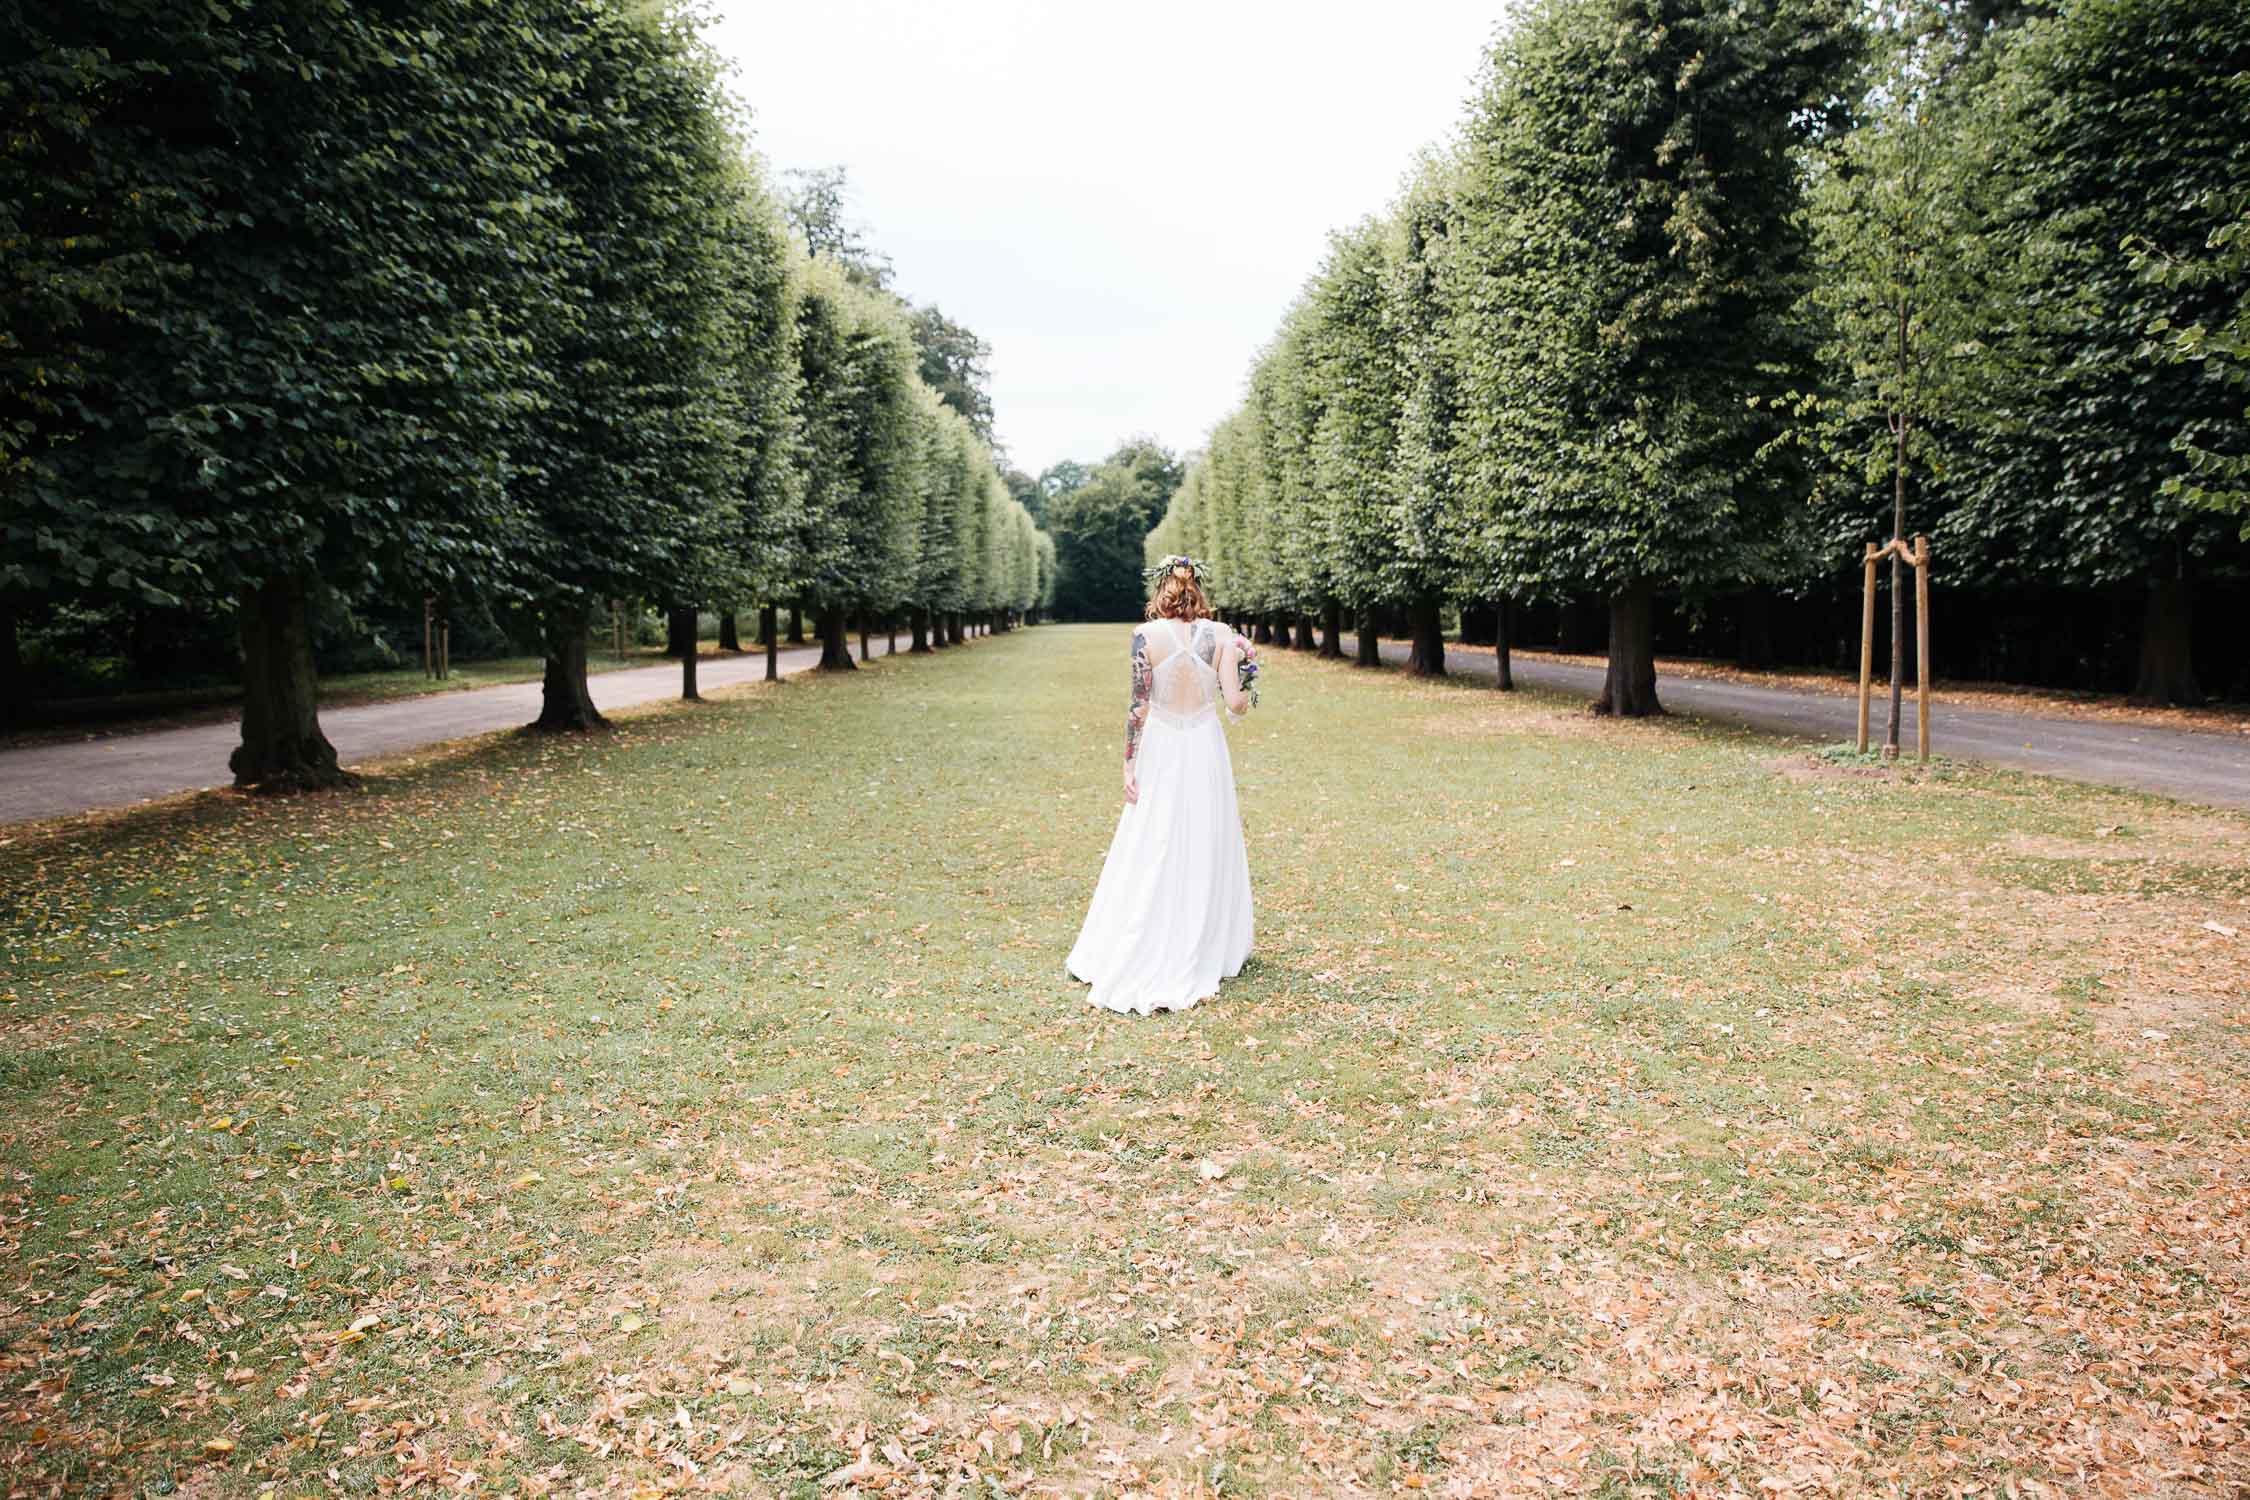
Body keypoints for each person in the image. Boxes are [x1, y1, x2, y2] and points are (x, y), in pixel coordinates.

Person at [1066, 557, 1254, 1015]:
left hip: (1164, 745)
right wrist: (1249, 680)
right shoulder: (1225, 636)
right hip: (1205, 746)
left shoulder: (1144, 637)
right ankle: (1208, 933)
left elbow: (1138, 706)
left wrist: (1128, 765)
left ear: (1161, 592)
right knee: (1206, 833)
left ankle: (1144, 927)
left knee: (1155, 834)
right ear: (1199, 592)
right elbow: (1235, 704)